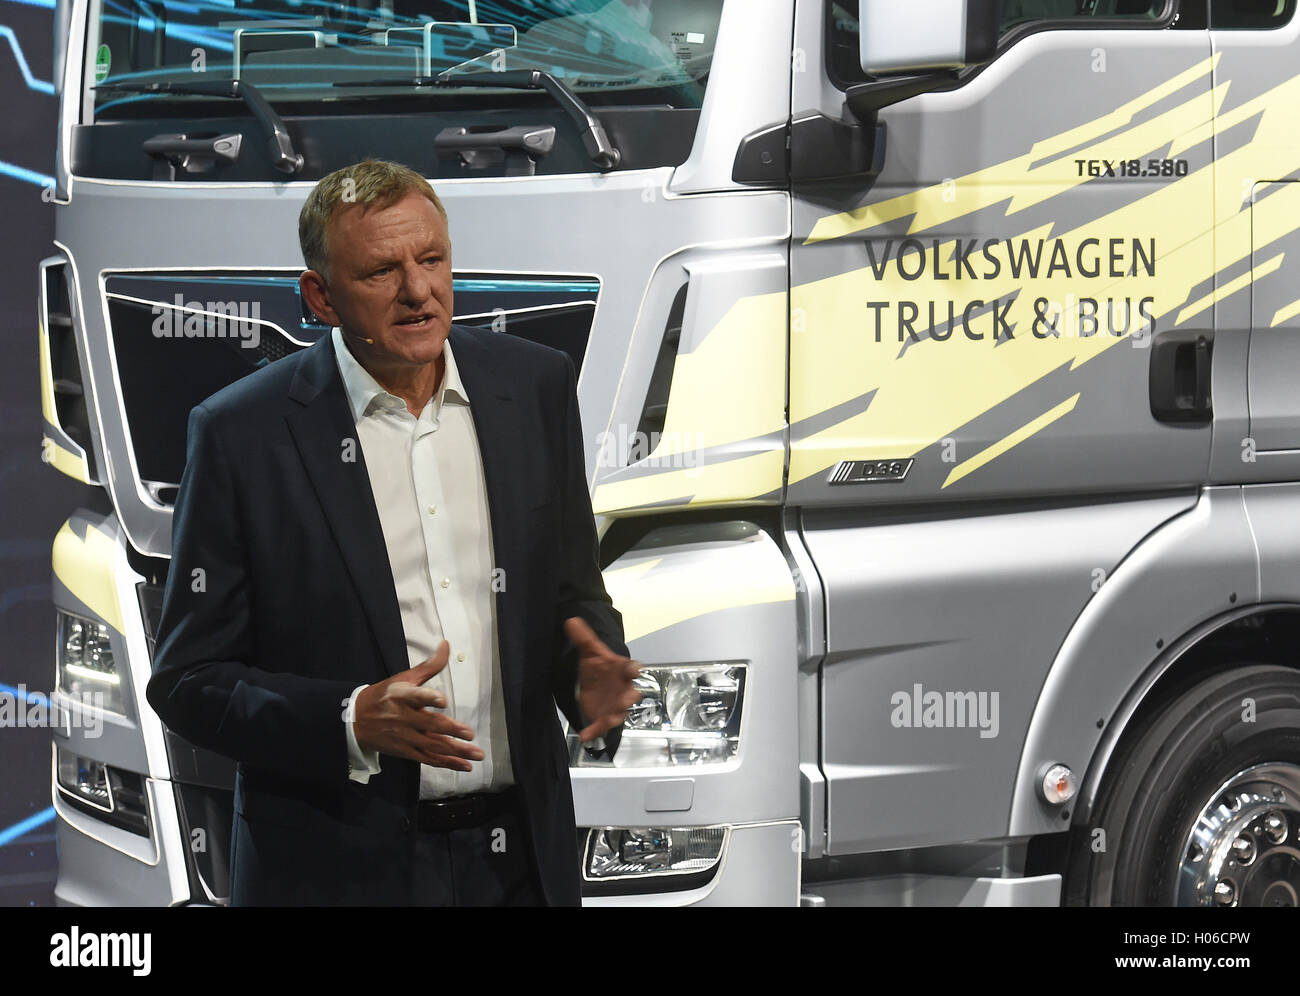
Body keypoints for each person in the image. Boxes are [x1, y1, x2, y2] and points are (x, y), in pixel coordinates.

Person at [145, 158, 641, 906]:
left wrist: (590, 675)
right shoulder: (243, 435)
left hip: (519, 866)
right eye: (381, 271)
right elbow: (187, 681)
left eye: (432, 259)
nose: (418, 291)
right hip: (334, 872)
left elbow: (573, 591)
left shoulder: (533, 387)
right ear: (321, 297)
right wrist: (347, 720)